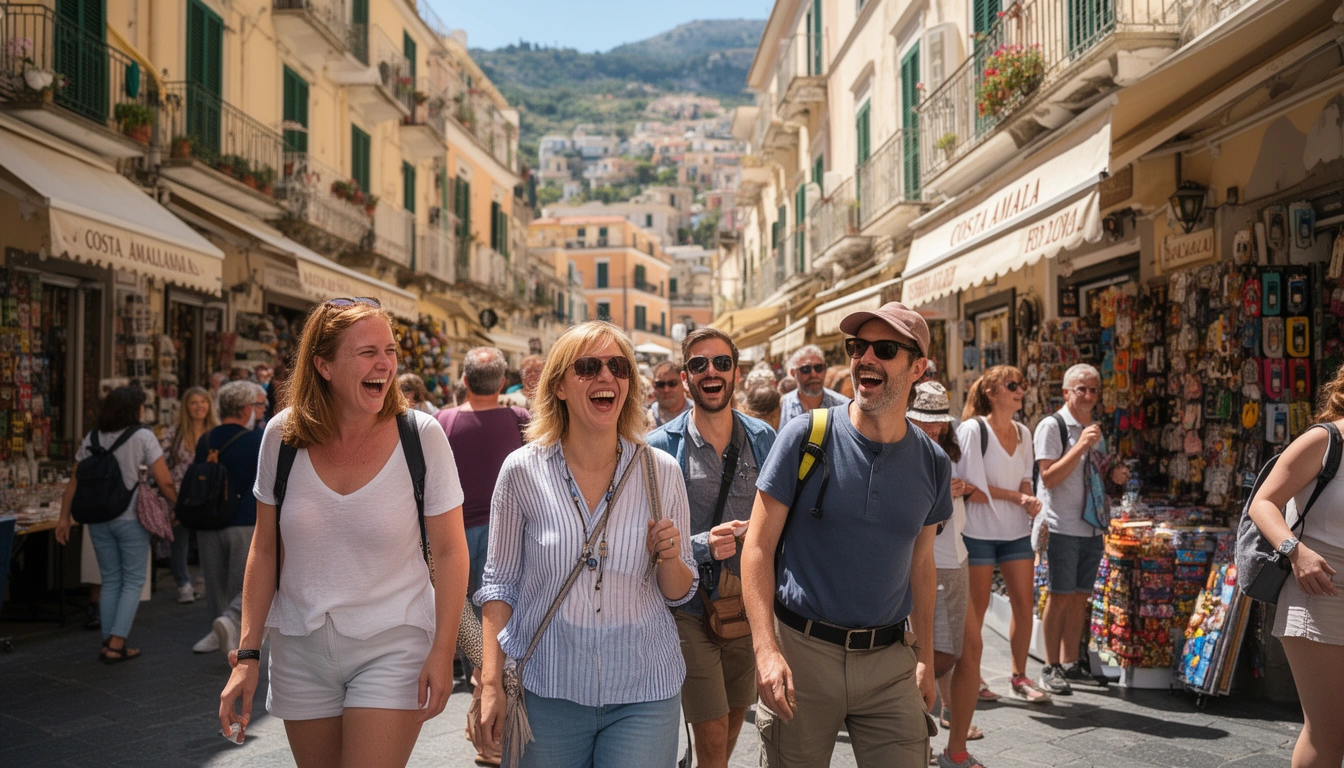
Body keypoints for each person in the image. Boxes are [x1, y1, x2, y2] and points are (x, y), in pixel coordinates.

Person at [218, 297, 469, 766]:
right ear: (324, 365)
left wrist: (443, 649)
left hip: (394, 643)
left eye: (390, 351)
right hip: (300, 648)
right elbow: (265, 547)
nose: (385, 364)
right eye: (367, 352)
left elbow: (452, 552)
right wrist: (248, 655)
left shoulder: (422, 436)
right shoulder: (282, 436)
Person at [474, 321, 696, 768]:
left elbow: (679, 591)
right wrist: (491, 684)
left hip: (645, 691)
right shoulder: (521, 471)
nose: (606, 377)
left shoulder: (662, 471)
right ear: (558, 385)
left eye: (618, 366)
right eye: (589, 366)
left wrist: (670, 556)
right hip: (548, 688)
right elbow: (499, 585)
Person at [742, 302, 951, 768]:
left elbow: (922, 563)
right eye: (858, 347)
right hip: (802, 656)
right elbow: (756, 547)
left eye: (885, 349)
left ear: (917, 368)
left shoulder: (933, 463)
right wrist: (766, 650)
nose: (865, 358)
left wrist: (926, 660)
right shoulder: (804, 436)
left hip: (890, 662)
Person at [648, 327, 776, 768]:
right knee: (714, 725)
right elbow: (644, 532)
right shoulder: (660, 447)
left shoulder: (764, 439)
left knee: (735, 714)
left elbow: (781, 519)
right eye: (699, 364)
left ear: (735, 373)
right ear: (686, 379)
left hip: (746, 604)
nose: (711, 371)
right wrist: (702, 544)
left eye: (721, 362)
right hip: (689, 605)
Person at [1248, 364, 1344, 768]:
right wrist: (1295, 550)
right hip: (1320, 590)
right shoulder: (1325, 440)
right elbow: (1263, 502)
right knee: (1328, 732)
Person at [55, 387, 179, 663]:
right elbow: (164, 480)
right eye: (142, 407)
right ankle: (117, 643)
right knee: (133, 579)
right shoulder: (143, 436)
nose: (144, 411)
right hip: (131, 516)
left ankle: (108, 639)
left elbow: (74, 482)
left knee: (110, 578)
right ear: (134, 410)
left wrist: (64, 518)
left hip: (98, 518)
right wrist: (179, 506)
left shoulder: (91, 438)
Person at [955, 365, 1050, 709]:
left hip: (1014, 532)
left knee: (1024, 605)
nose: (1021, 390)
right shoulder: (972, 430)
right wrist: (1018, 498)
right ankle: (971, 676)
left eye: (1023, 384)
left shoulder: (1024, 432)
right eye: (1013, 384)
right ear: (991, 392)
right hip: (978, 530)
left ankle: (1019, 676)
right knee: (976, 610)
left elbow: (1025, 478)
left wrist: (1030, 499)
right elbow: (974, 490)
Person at [908, 382, 986, 767]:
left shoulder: (943, 449)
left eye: (939, 423)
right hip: (932, 560)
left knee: (968, 651)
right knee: (934, 658)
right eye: (927, 422)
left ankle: (954, 750)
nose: (935, 429)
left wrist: (957, 490)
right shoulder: (902, 449)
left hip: (956, 556)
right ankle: (911, 746)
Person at [434, 350, 527, 632]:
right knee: (499, 612)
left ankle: (475, 669)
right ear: (501, 384)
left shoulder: (441, 420)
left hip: (453, 533)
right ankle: (493, 672)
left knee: (462, 620)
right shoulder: (519, 418)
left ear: (464, 380)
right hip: (505, 532)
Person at [1035, 364, 1108, 696]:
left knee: (1079, 598)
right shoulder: (1053, 426)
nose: (1089, 395)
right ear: (1066, 392)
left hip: (1091, 526)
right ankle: (1050, 666)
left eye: (1094, 389)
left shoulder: (1091, 428)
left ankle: (1071, 661)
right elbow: (1048, 478)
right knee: (1060, 596)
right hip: (1062, 525)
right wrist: (1080, 446)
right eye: (1082, 389)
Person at [187, 381, 266, 659]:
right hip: (245, 520)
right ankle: (232, 630)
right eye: (258, 405)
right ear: (246, 408)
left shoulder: (206, 439)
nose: (261, 410)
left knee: (215, 582)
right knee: (244, 583)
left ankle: (218, 630)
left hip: (209, 521)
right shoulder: (257, 439)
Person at [161, 385, 218, 605]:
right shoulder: (174, 433)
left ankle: (204, 581)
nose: (199, 407)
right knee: (179, 541)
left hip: (206, 494)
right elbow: (163, 461)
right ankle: (183, 583)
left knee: (206, 539)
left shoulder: (215, 432)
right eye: (193, 402)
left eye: (203, 402)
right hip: (177, 494)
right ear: (186, 407)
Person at [777, 345, 849, 430]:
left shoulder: (842, 405)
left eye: (818, 368)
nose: (813, 374)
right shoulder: (783, 405)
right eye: (806, 369)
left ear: (825, 369)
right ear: (793, 373)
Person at [648, 360, 689, 427]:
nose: (666, 390)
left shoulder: (698, 414)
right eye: (660, 384)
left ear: (684, 383)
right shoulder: (645, 417)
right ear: (654, 385)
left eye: (672, 383)